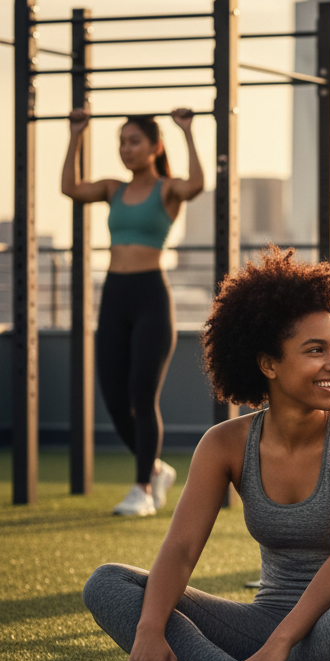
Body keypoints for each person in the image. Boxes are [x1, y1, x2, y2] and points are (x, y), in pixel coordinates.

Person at [82, 246, 330, 661]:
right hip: (263, 623)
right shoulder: (224, 444)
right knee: (108, 584)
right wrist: (150, 632)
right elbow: (178, 551)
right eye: (316, 350)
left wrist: (278, 647)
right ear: (268, 364)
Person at [61, 108, 205, 516]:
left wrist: (188, 132)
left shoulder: (166, 190)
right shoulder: (112, 188)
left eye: (134, 141)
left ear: (154, 147)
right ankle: (156, 469)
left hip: (150, 297)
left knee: (143, 396)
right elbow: (70, 187)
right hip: (114, 294)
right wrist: (76, 134)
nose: (126, 149)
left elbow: (196, 184)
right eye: (121, 142)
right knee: (113, 399)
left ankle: (142, 487)